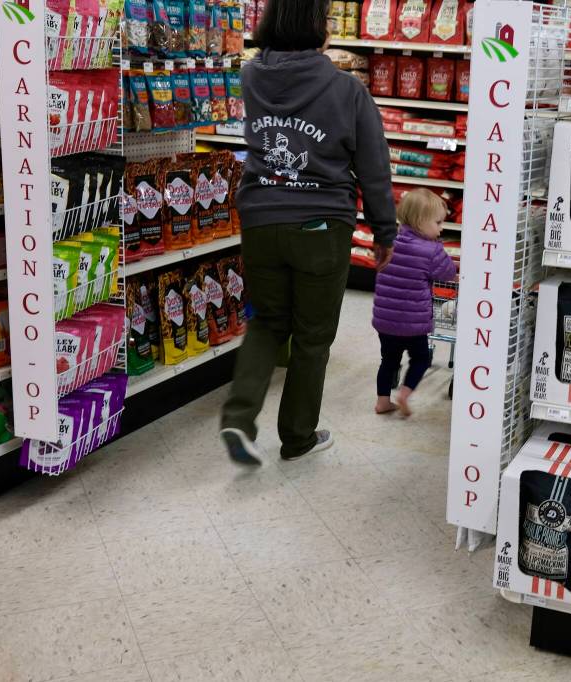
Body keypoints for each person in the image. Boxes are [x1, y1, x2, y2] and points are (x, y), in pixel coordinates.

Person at [220, 0, 396, 466]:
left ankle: (239, 416)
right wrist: (384, 231)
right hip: (321, 223)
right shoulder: (346, 90)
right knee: (312, 336)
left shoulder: (251, 77)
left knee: (266, 322)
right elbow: (374, 167)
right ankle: (297, 437)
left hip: (260, 217)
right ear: (319, 28)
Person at [372, 189, 457, 417]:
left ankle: (382, 401)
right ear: (420, 221)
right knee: (420, 359)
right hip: (413, 323)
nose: (441, 228)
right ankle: (404, 394)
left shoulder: (388, 242)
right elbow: (448, 273)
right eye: (438, 222)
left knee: (388, 360)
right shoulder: (431, 250)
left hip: (385, 321)